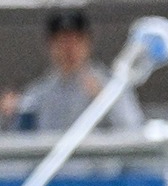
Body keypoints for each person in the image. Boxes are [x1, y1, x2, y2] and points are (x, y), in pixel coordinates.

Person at [4, 11, 144, 134]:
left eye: (76, 41)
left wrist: (103, 99)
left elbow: (134, 129)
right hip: (53, 161)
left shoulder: (110, 84)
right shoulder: (41, 91)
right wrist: (9, 113)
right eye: (62, 42)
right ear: (50, 45)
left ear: (88, 44)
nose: (69, 49)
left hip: (95, 162)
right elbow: (17, 133)